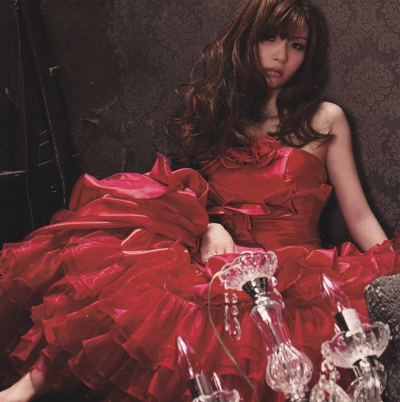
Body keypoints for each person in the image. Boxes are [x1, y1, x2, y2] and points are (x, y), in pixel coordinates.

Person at [0, 0, 398, 401]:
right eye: (269, 39)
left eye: (296, 45)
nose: (281, 55)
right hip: (217, 263)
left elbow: (359, 215)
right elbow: (190, 192)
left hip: (295, 273)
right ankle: (26, 389)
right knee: (123, 266)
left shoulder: (325, 118)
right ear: (246, 40)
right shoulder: (210, 114)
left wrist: (391, 273)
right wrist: (210, 226)